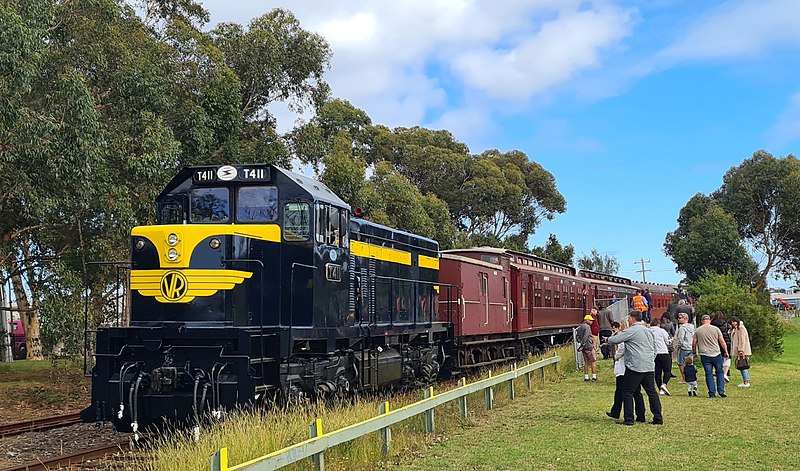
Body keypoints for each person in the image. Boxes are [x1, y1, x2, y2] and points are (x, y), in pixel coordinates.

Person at [607, 310, 663, 425]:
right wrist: (651, 359)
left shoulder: (632, 330)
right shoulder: (648, 330)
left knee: (627, 391)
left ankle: (629, 419)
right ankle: (657, 418)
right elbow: (654, 348)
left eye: (629, 318)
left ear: (632, 318)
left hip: (635, 366)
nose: (628, 320)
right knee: (651, 392)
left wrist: (607, 339)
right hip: (649, 365)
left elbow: (615, 340)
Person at [606, 321, 645, 421]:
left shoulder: (626, 335)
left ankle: (621, 413)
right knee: (636, 391)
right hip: (634, 365)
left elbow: (622, 349)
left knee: (623, 391)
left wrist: (616, 356)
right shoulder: (637, 333)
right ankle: (640, 415)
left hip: (625, 367)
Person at [693, 314, 730, 398]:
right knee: (720, 372)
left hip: (705, 354)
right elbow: (722, 341)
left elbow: (694, 343)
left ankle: (712, 393)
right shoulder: (716, 329)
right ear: (709, 320)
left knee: (708, 374)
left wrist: (694, 352)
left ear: (702, 321)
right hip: (716, 353)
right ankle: (721, 390)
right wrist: (726, 351)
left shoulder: (698, 330)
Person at [649, 317, 673, 396]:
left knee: (657, 372)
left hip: (653, 354)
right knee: (667, 370)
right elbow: (668, 341)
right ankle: (664, 384)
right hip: (663, 352)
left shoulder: (648, 331)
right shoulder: (661, 331)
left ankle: (660, 388)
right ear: (658, 324)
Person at [729, 318, 752, 388]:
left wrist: (741, 349)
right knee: (742, 365)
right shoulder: (736, 329)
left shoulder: (741, 328)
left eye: (734, 322)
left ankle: (746, 381)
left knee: (742, 365)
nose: (733, 323)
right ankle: (746, 380)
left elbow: (742, 339)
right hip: (740, 349)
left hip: (742, 350)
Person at [711, 311, 732, 382]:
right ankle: (725, 373)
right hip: (727, 342)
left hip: (716, 343)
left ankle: (718, 372)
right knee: (727, 358)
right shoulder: (725, 324)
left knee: (718, 358)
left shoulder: (712, 324)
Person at [676, 312, 695, 384]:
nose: (678, 319)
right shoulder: (692, 327)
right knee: (690, 362)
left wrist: (679, 346)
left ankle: (684, 378)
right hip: (691, 347)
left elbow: (681, 338)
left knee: (681, 363)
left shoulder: (682, 328)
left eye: (680, 318)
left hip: (684, 347)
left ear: (685, 319)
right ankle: (691, 377)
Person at [576, 314, 597, 381]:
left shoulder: (579, 327)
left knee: (586, 362)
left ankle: (586, 377)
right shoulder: (587, 327)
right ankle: (594, 377)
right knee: (593, 361)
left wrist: (581, 344)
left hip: (583, 348)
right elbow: (586, 336)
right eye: (590, 320)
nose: (592, 322)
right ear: (587, 320)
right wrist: (584, 343)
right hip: (589, 346)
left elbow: (577, 337)